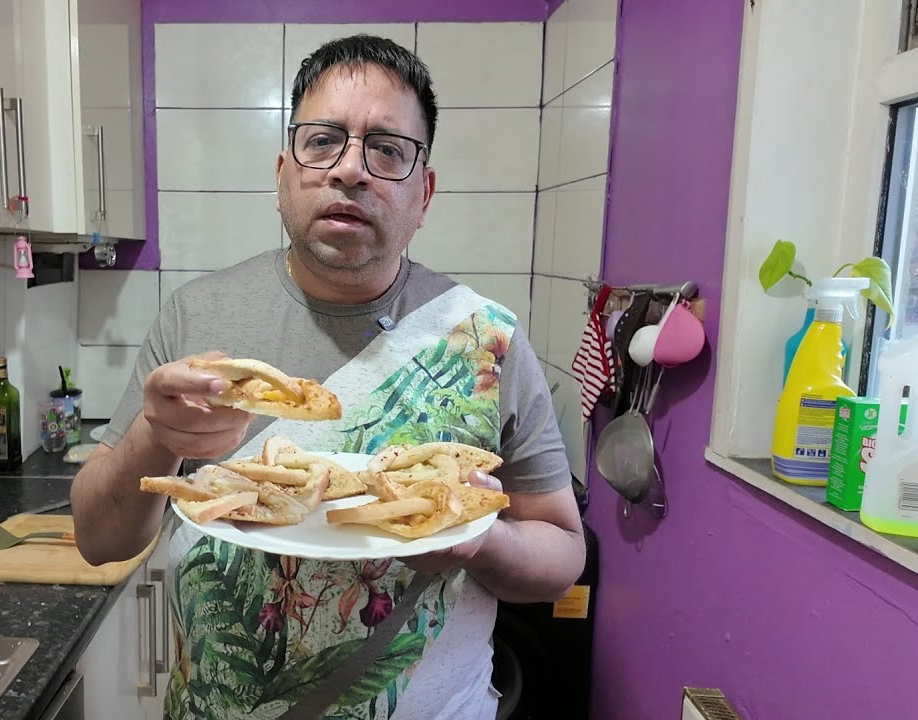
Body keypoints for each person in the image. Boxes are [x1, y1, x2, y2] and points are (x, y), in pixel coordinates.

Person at [71, 34, 586, 720]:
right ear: (283, 173)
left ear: (423, 191)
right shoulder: (199, 320)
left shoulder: (485, 339)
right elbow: (99, 541)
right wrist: (156, 436)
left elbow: (562, 552)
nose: (350, 170)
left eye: (387, 150)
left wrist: (479, 539)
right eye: (323, 141)